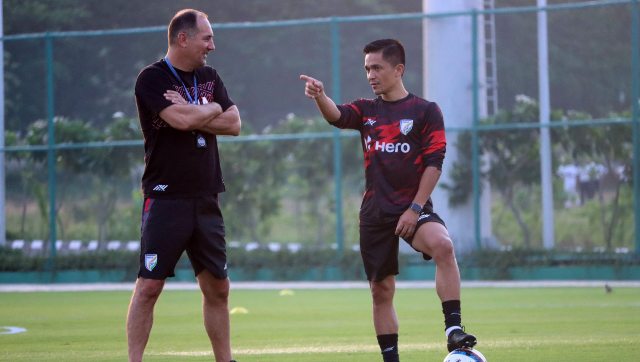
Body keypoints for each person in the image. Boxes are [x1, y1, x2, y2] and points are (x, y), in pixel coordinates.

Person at [300, 39, 477, 361]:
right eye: (367, 68)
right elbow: (337, 116)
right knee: (381, 291)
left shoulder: (425, 111)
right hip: (375, 213)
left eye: (377, 68)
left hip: (413, 207)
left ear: (398, 70)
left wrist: (414, 208)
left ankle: (453, 330)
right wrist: (320, 96)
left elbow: (435, 163)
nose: (371, 75)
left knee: (443, 245)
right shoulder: (367, 111)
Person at [127, 9, 240, 362]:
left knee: (218, 288)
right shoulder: (152, 78)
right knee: (149, 286)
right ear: (183, 39)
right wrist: (211, 107)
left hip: (206, 197)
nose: (212, 45)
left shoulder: (209, 75)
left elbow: (235, 123)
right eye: (207, 38)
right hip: (165, 199)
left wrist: (199, 109)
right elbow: (177, 120)